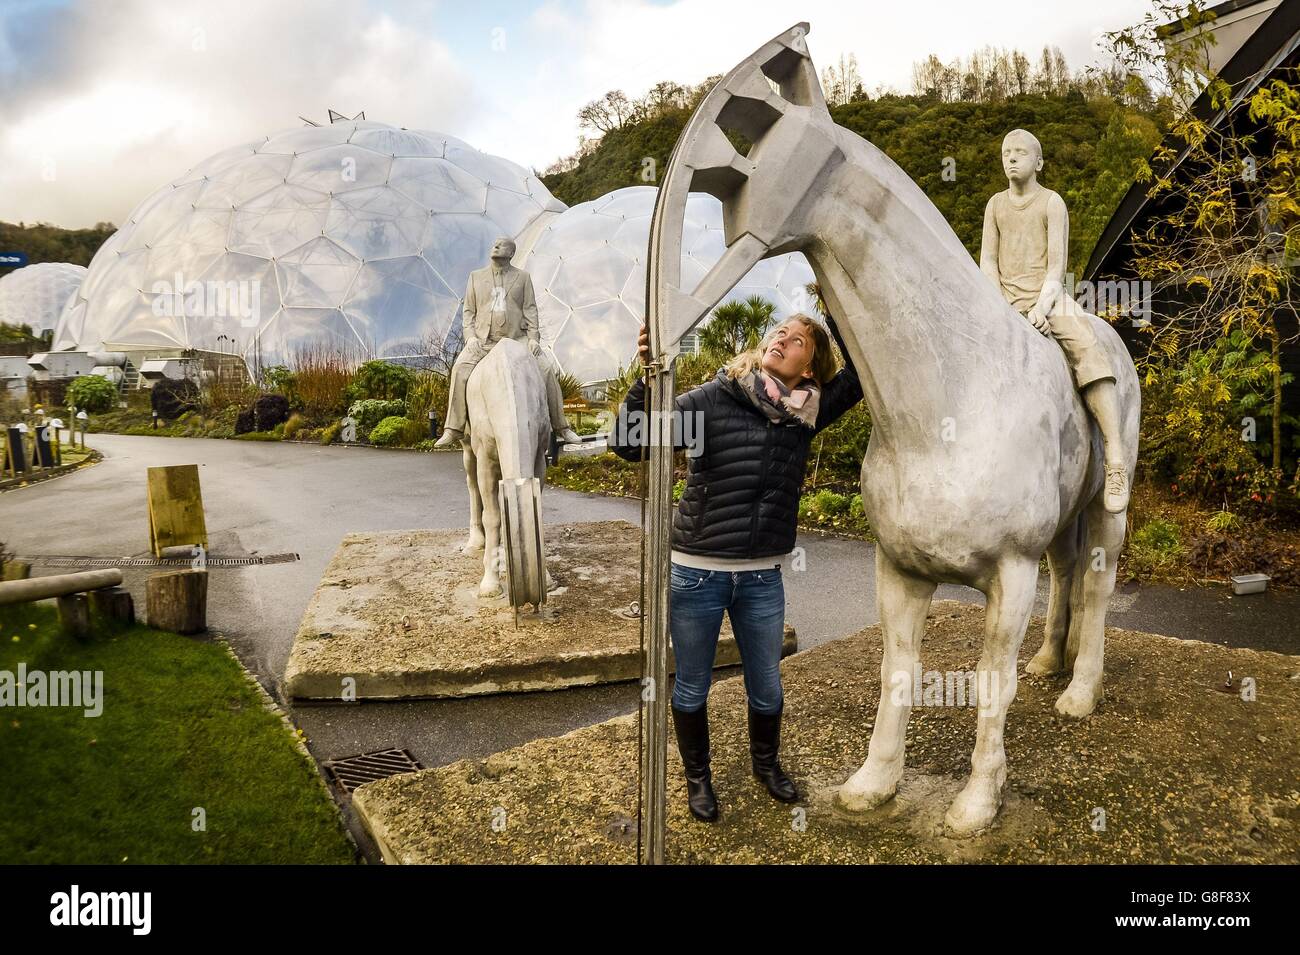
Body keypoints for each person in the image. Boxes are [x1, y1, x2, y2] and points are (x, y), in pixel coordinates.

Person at [610, 313, 864, 822]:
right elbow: (630, 442)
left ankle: (765, 766)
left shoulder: (809, 411)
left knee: (767, 684)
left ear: (810, 369)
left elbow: (858, 370)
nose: (781, 339)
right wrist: (647, 376)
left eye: (797, 340)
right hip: (695, 571)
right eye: (778, 332)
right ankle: (697, 780)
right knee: (692, 685)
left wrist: (832, 296)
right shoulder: (713, 398)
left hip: (761, 577)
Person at [980, 128, 1129, 512]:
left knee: (1088, 347)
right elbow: (988, 264)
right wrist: (1002, 309)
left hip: (1048, 298)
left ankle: (1115, 457)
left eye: (1020, 153)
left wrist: (1042, 309)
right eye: (1005, 152)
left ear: (1039, 162)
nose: (1011, 158)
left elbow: (1056, 266)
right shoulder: (995, 205)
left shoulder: (1051, 203)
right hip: (1004, 302)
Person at [435, 236, 581, 448]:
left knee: (547, 370)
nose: (495, 246)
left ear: (511, 253)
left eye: (502, 245)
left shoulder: (523, 278)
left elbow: (530, 310)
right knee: (459, 369)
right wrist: (471, 338)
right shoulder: (475, 277)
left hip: (516, 340)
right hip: (485, 342)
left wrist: (533, 339)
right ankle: (453, 429)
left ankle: (562, 427)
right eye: (494, 243)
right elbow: (468, 312)